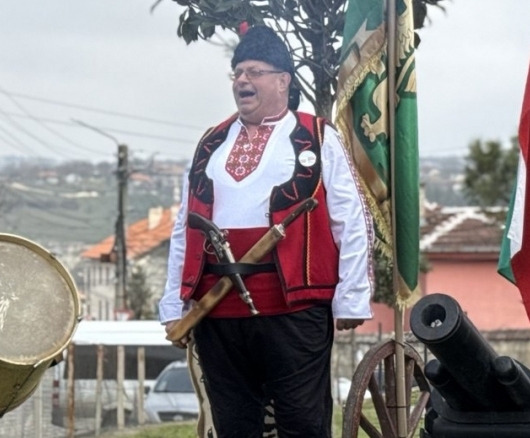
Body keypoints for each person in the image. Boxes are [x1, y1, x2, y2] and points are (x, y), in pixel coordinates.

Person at [159, 25, 374, 438]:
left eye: (254, 71)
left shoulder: (317, 134)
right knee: (234, 424)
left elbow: (350, 218)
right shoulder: (211, 142)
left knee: (301, 422)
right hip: (217, 311)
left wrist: (351, 296)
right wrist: (175, 301)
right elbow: (185, 226)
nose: (242, 80)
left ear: (282, 81)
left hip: (294, 309)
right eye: (238, 72)